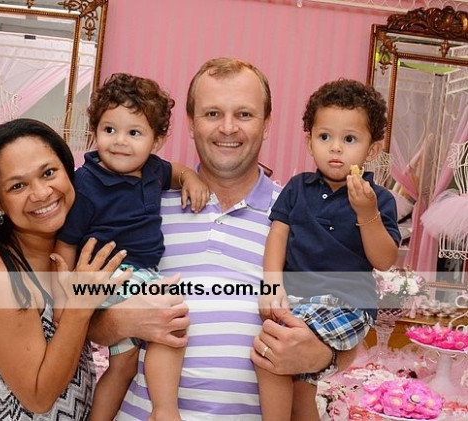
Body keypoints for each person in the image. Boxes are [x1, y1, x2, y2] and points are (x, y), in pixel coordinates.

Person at [89, 57, 364, 420]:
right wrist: (125, 322)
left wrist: (322, 355)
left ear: (267, 124)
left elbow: (347, 321)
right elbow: (83, 313)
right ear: (191, 124)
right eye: (213, 114)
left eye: (244, 114)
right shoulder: (141, 207)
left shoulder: (303, 216)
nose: (228, 128)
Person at [0, 118, 132, 420]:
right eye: (18, 185)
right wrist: (79, 307)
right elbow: (37, 396)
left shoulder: (70, 251)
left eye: (48, 173)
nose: (42, 193)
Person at [54, 73, 209, 421]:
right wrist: (64, 294)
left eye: (134, 133)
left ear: (157, 140)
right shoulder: (86, 183)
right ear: (95, 131)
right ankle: (165, 410)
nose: (120, 141)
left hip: (139, 274)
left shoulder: (153, 170)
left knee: (123, 366)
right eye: (109, 130)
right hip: (110, 274)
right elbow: (66, 242)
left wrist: (191, 177)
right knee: (172, 319)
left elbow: (176, 171)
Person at [256, 79, 401, 421]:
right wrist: (272, 284)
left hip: (346, 303)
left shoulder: (378, 199)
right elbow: (278, 235)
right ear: (309, 142)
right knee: (300, 389)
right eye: (325, 137)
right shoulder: (297, 188)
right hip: (299, 300)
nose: (335, 148)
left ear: (372, 150)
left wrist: (367, 213)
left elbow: (384, 260)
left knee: (271, 354)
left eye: (349, 139)